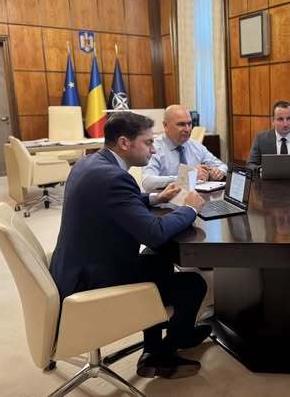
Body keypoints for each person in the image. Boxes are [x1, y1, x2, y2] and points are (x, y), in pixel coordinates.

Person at [50, 112, 210, 380]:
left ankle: (154, 346)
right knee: (192, 284)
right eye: (148, 142)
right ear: (124, 143)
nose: (154, 149)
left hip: (76, 268)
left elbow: (115, 202)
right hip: (92, 283)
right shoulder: (114, 178)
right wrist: (190, 209)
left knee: (158, 260)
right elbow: (155, 233)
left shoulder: (90, 163)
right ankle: (165, 352)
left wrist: (155, 198)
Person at [142, 105, 227, 192]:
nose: (187, 129)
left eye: (189, 124)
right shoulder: (154, 148)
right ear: (165, 126)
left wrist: (218, 172)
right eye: (181, 124)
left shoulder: (196, 146)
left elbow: (222, 166)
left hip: (196, 198)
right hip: (166, 200)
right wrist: (187, 177)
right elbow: (148, 182)